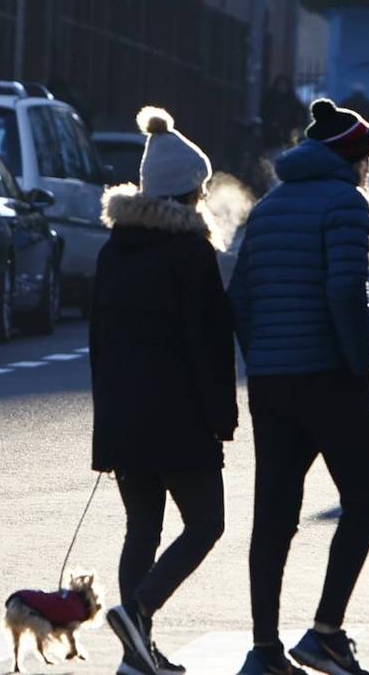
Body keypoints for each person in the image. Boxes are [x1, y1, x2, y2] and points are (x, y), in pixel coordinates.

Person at [229, 98, 369, 675]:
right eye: (368, 157)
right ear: (353, 156)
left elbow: (240, 298)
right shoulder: (345, 203)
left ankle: (264, 649)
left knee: (273, 514)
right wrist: (359, 370)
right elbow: (346, 292)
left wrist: (262, 359)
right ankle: (325, 632)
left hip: (272, 384)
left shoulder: (268, 208)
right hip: (329, 377)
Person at [93, 107, 238, 675]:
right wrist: (221, 416)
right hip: (180, 417)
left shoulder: (114, 251)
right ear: (187, 192)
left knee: (142, 529)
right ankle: (141, 611)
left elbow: (98, 343)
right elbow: (209, 343)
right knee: (206, 523)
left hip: (125, 417)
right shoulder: (191, 254)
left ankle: (137, 656)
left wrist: (106, 423)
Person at [260, 75, 307, 154]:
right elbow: (264, 112)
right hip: (272, 134)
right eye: (280, 85)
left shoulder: (292, 99)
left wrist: (298, 124)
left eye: (284, 85)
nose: (282, 87)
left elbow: (301, 112)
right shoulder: (270, 98)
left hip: (287, 132)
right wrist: (270, 122)